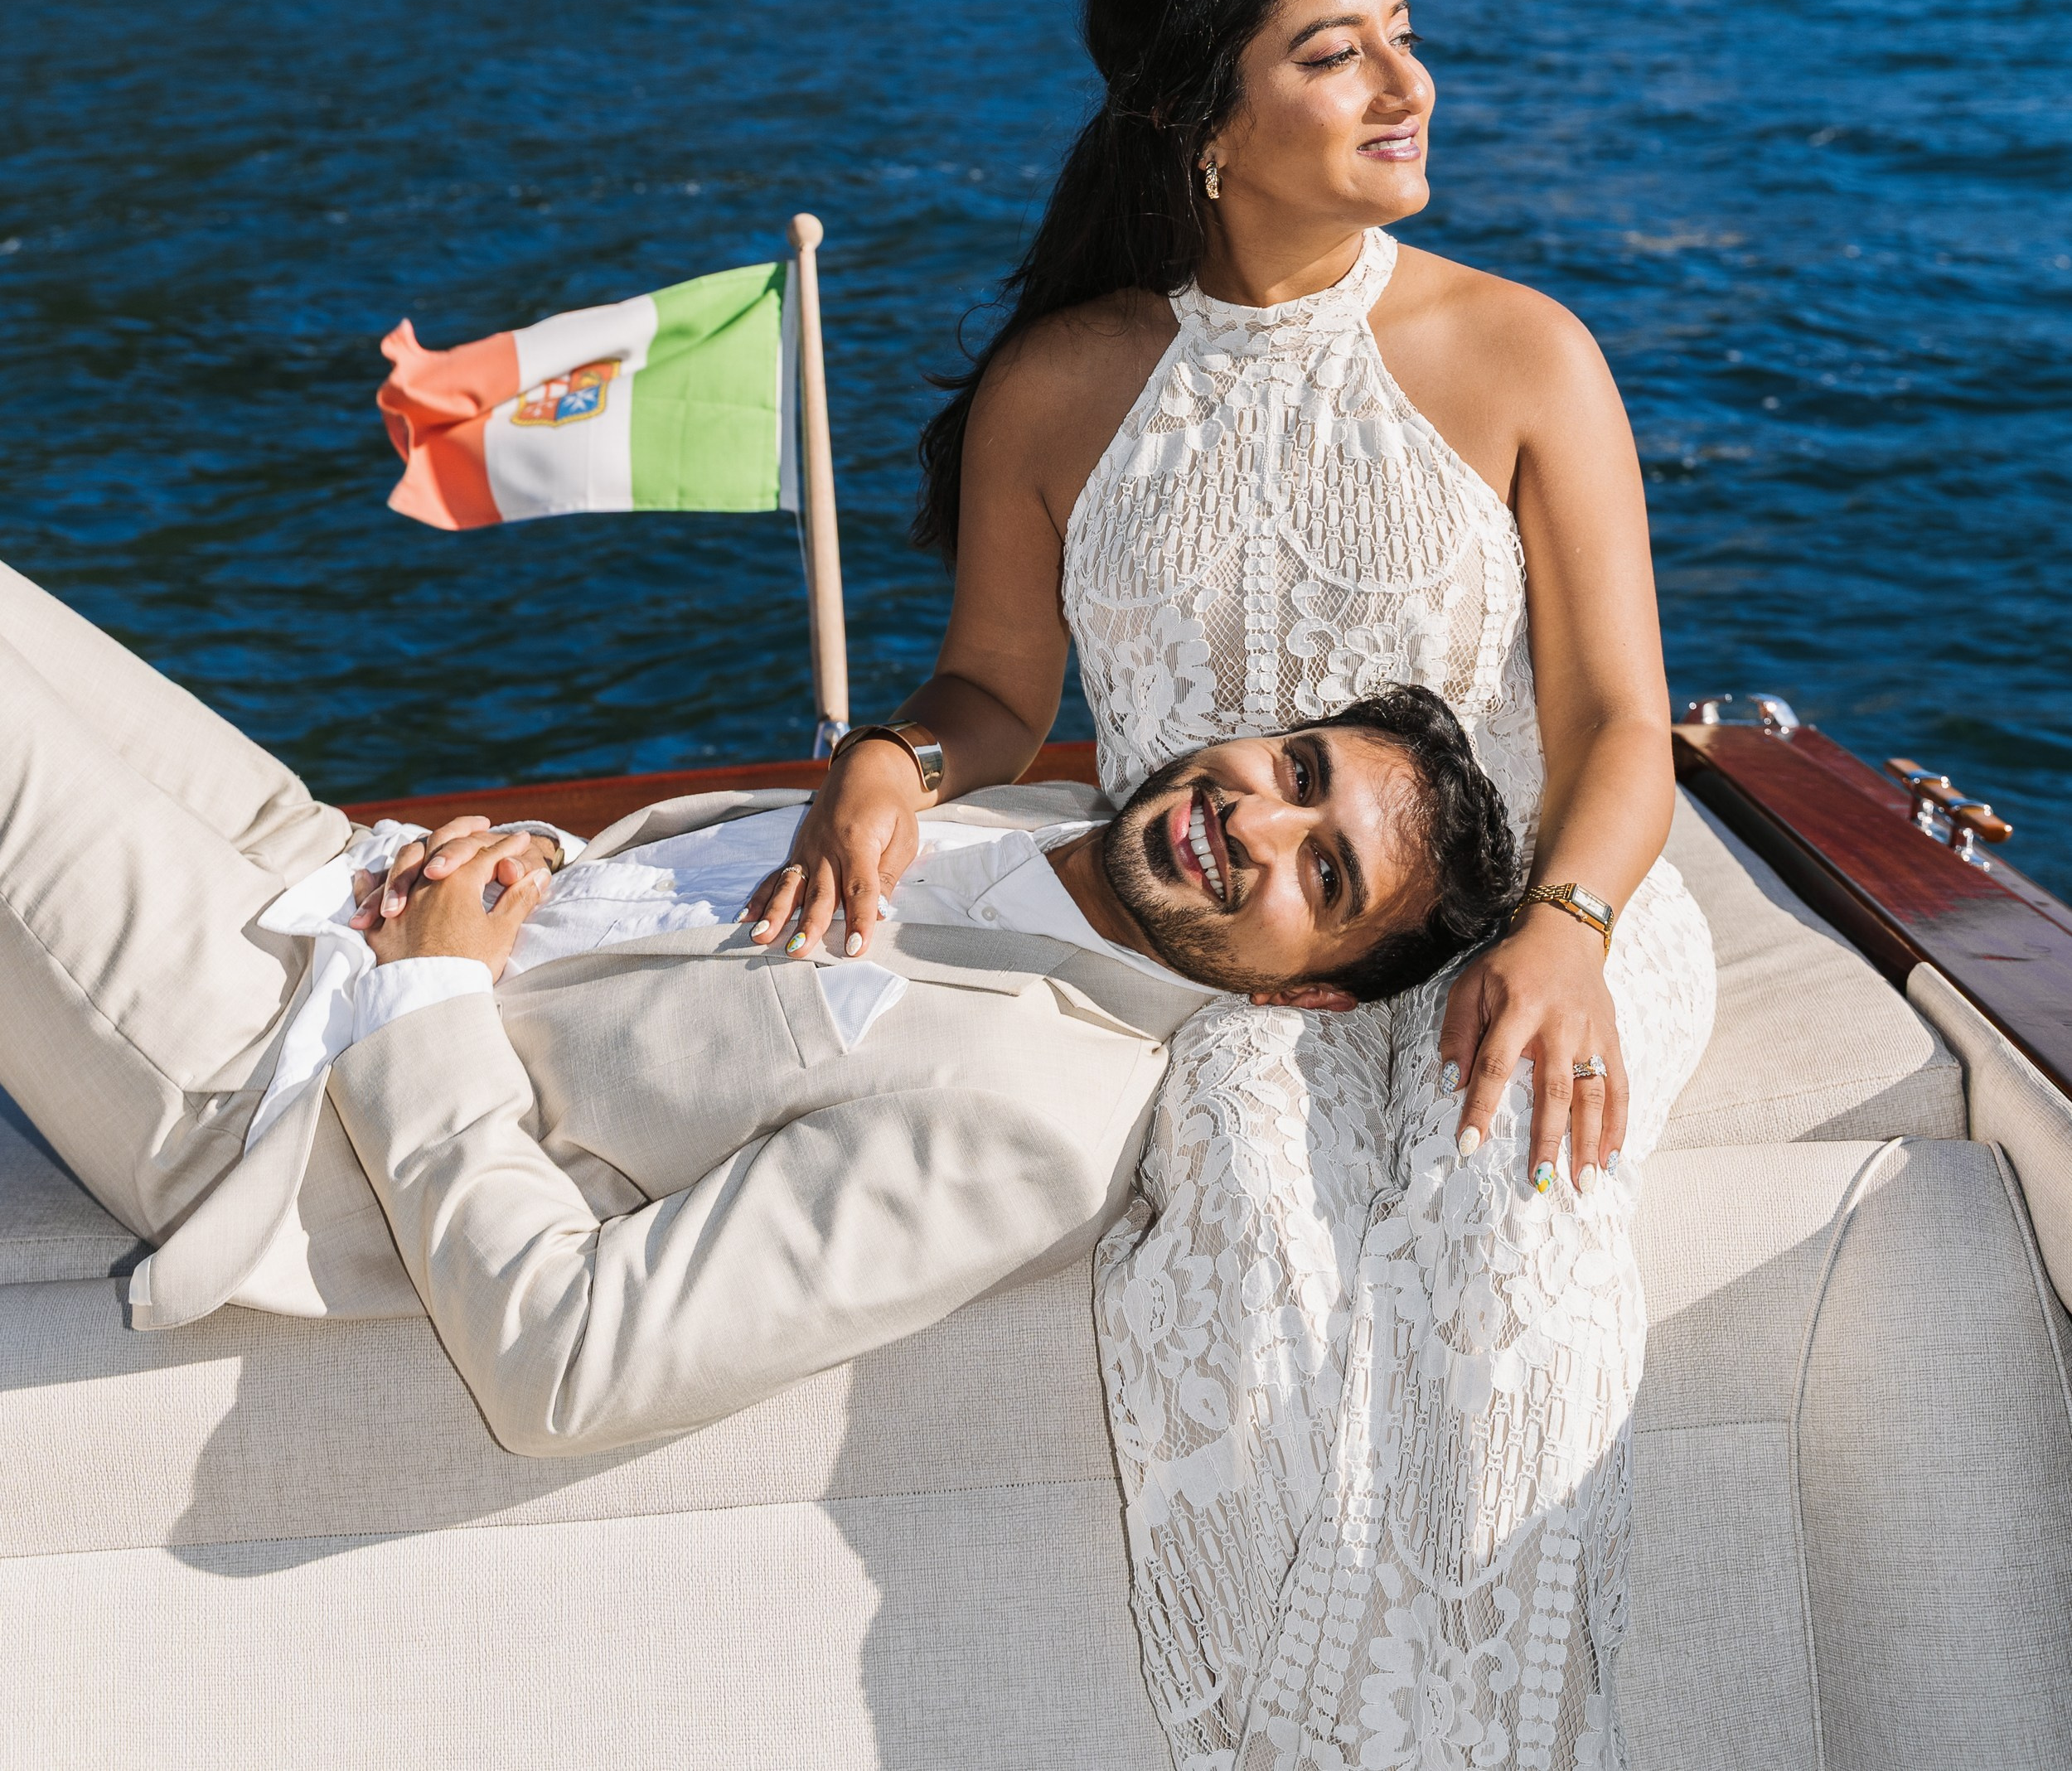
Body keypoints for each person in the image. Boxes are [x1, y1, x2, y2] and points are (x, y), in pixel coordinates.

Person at [749, 0, 1718, 1769]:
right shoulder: (1061, 382)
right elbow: (994, 700)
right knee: (1246, 1224)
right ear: (1203, 122)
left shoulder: (1521, 351)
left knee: (1506, 1261)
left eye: (1403, 40)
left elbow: (1620, 727)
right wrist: (892, 757)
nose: (1405, 87)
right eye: (1333, 53)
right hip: (1229, 947)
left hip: (1537, 909)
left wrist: (1567, 932)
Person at [0, 545, 1514, 1458]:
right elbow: (655, 932)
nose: (1252, 820)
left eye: (1320, 873)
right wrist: (529, 864)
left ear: (1317, 990)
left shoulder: (1039, 1121)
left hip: (273, 1079)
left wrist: (437, 994)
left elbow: (569, 1366)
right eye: (1295, 770)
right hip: (339, 866)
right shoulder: (1021, 816)